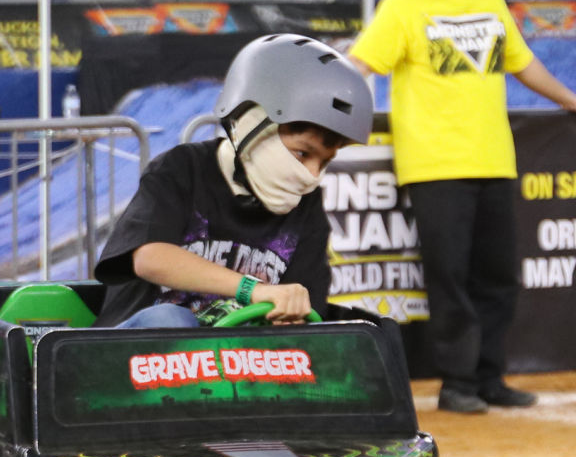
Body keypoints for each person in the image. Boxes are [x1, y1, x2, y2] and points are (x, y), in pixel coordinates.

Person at [348, 0, 576, 414]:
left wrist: (568, 99)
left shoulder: (491, 2)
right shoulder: (405, 3)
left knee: (497, 275)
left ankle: (489, 377)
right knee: (450, 277)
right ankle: (456, 383)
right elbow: (361, 63)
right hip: (434, 164)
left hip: (494, 159)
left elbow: (522, 63)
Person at [93, 33, 372, 329]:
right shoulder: (182, 169)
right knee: (170, 319)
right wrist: (255, 290)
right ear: (253, 121)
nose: (312, 176)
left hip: (236, 366)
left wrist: (291, 318)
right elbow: (149, 257)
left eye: (324, 162)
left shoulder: (305, 207)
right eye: (303, 153)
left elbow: (306, 309)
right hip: (134, 359)